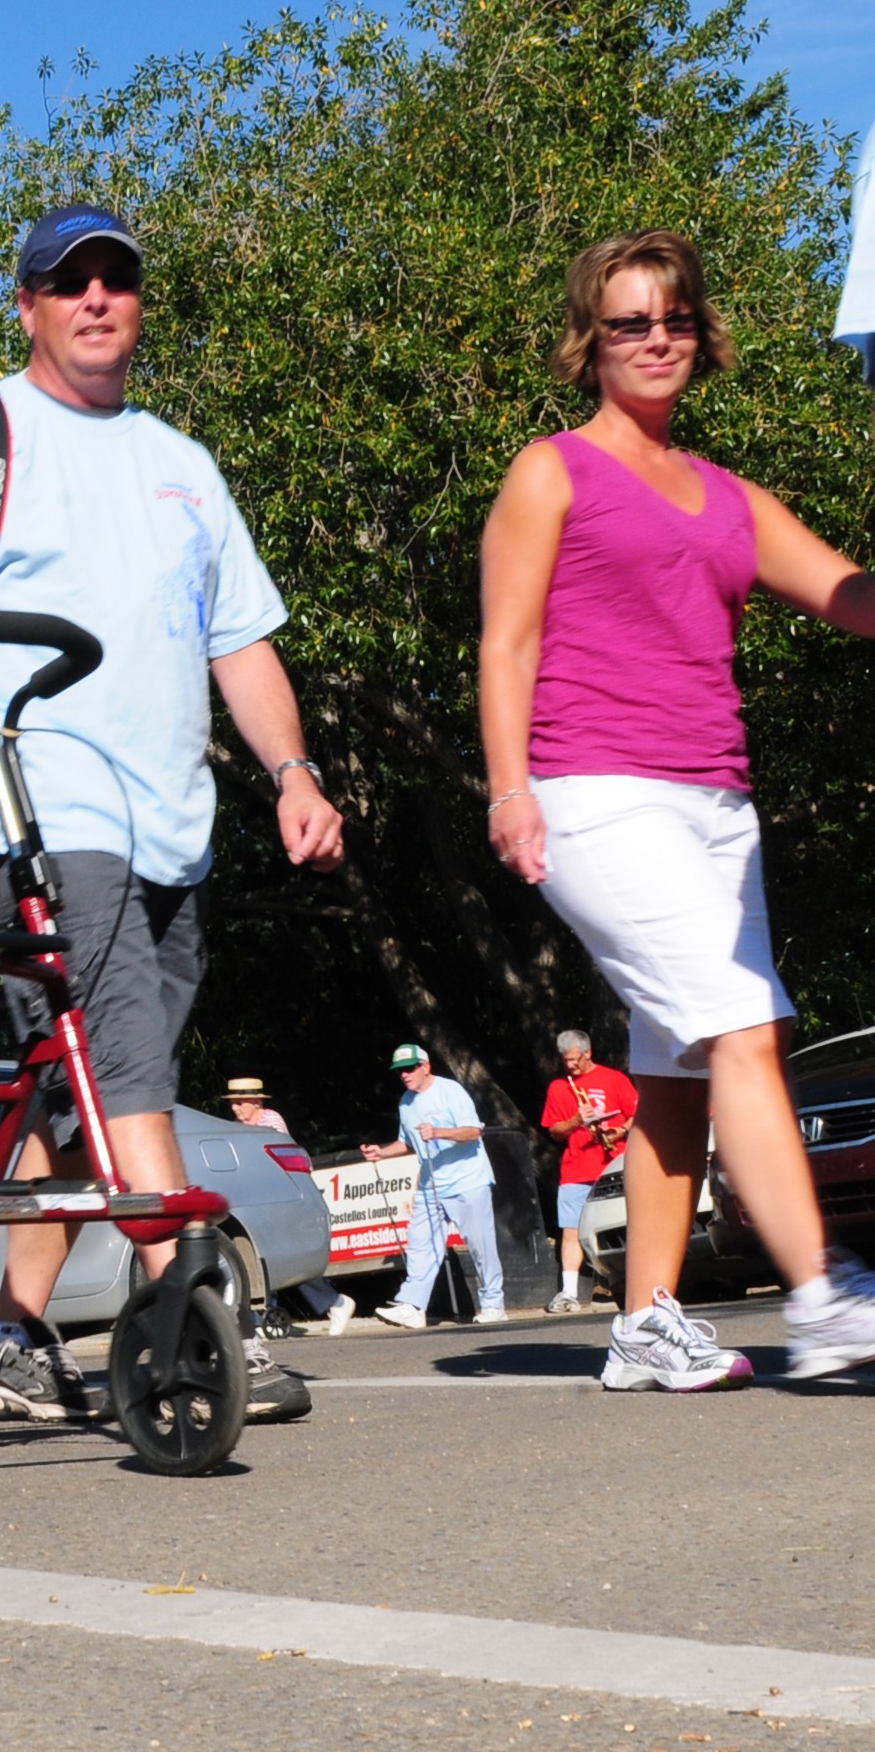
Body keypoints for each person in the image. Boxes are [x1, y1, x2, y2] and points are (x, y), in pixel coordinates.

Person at [0, 205, 344, 1422]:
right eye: (65, 282)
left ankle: (14, 1328)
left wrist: (292, 774)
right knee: (119, 1053)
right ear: (25, 305)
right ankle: (190, 1306)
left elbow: (242, 642)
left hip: (173, 819)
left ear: (138, 303)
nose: (93, 298)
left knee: (87, 1089)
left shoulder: (184, 465)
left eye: (113, 280)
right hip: (38, 808)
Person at [481, 229, 875, 1388]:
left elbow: (853, 600)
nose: (655, 339)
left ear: (700, 335)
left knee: (684, 1065)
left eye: (674, 319)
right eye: (628, 323)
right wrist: (510, 788)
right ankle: (824, 1295)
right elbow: (506, 641)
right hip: (593, 791)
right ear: (589, 344)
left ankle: (647, 1322)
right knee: (740, 1024)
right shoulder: (551, 469)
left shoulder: (730, 498)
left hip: (717, 806)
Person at [361, 1045, 505, 1327]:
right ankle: (413, 1305)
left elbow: (474, 1131)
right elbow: (406, 1142)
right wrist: (381, 1152)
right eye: (400, 1070)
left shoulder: (450, 1091)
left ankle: (493, 1304)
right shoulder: (406, 1102)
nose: (405, 1075)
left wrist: (439, 1132)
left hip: (468, 1180)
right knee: (419, 1244)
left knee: (480, 1246)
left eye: (410, 1068)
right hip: (430, 1184)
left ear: (426, 1066)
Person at [227, 1078, 355, 1335]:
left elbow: (272, 1163)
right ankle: (265, 1314)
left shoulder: (270, 1123)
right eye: (233, 1103)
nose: (235, 1108)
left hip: (279, 1199)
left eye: (240, 1102)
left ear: (256, 1101)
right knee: (269, 1257)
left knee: (283, 1257)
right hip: (258, 1202)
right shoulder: (237, 1127)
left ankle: (332, 1303)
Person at [540, 1030, 636, 1315]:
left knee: (627, 1222)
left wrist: (618, 1132)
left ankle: (637, 1282)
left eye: (574, 1059)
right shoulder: (559, 1087)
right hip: (576, 1168)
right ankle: (569, 1292)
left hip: (613, 1163)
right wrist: (576, 1121)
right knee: (570, 1230)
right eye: (565, 1060)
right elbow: (555, 1131)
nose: (569, 1065)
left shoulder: (614, 1079)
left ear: (587, 1053)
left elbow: (637, 1114)